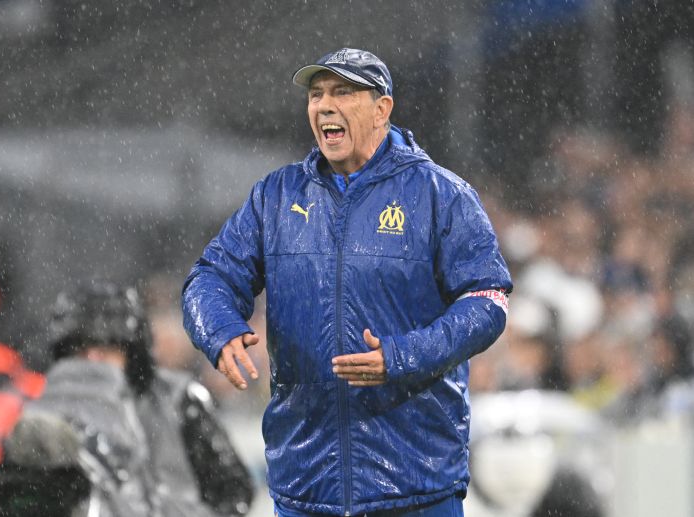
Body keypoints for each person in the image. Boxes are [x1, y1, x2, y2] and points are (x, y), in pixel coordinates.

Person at [182, 48, 512, 517]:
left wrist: (402, 356)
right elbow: (210, 276)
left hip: (416, 486)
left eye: (343, 92)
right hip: (306, 487)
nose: (324, 105)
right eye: (316, 95)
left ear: (383, 109)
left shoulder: (442, 195)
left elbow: (488, 299)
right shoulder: (275, 198)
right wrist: (219, 329)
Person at [4, 280, 253, 517]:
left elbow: (233, 491)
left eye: (106, 348)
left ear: (132, 351)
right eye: (79, 349)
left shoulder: (176, 399)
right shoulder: (46, 411)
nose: (93, 360)